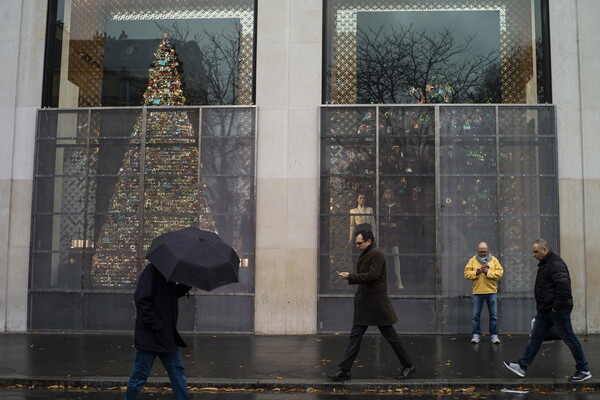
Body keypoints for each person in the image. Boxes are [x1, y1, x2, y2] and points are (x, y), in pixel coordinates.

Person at [327, 230, 415, 381]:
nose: (357, 246)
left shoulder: (377, 254)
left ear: (369, 241)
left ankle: (408, 366)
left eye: (360, 243)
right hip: (366, 303)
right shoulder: (368, 253)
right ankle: (345, 370)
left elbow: (373, 275)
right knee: (355, 337)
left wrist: (350, 276)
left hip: (376, 303)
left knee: (391, 337)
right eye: (356, 243)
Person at [503, 239, 592, 382]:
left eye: (536, 251)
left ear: (545, 250)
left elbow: (563, 286)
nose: (534, 254)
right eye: (533, 251)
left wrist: (556, 308)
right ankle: (522, 366)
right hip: (546, 310)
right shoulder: (547, 263)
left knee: (569, 338)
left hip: (556, 310)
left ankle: (584, 369)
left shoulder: (555, 264)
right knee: (536, 338)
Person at [125, 264, 192, 399]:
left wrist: (187, 284)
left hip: (167, 336)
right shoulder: (152, 271)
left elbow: (171, 294)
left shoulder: (167, 274)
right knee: (140, 375)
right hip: (151, 336)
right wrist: (157, 325)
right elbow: (141, 299)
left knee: (177, 370)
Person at [463, 242, 503, 344]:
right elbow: (466, 274)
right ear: (477, 250)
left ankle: (494, 335)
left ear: (488, 250)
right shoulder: (472, 260)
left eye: (484, 252)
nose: (482, 254)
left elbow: (500, 273)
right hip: (477, 291)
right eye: (480, 252)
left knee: (493, 315)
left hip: (491, 291)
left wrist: (487, 272)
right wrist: (477, 272)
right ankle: (476, 335)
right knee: (475, 316)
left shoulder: (494, 260)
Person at [380, 188, 404, 289]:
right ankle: (381, 281)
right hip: (384, 235)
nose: (388, 195)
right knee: (382, 258)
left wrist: (396, 224)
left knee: (396, 257)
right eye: (386, 193)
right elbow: (379, 218)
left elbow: (403, 218)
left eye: (389, 193)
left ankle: (399, 281)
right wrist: (383, 223)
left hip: (394, 235)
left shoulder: (397, 206)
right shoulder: (381, 206)